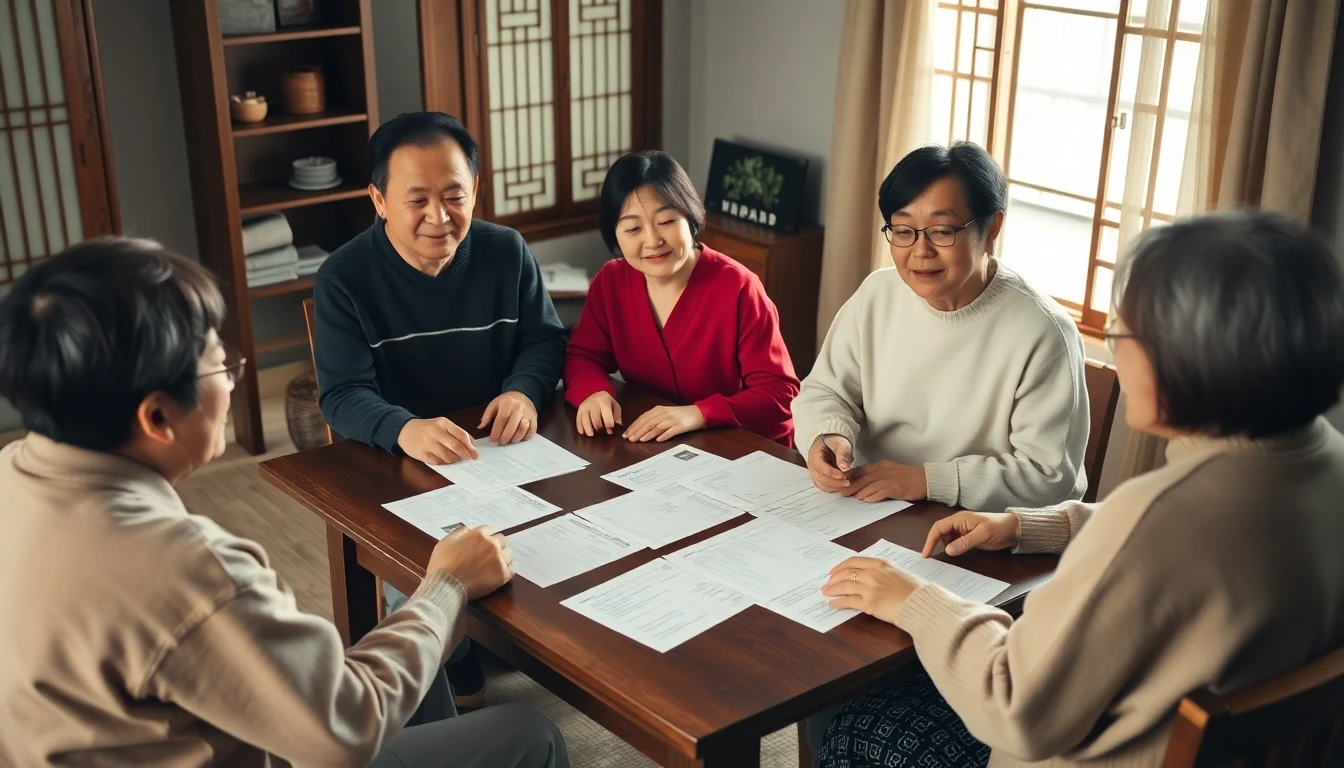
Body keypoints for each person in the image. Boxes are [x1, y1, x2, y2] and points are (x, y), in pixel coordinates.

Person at [0, 238, 570, 768]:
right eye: (217, 359)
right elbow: (342, 730)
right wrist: (448, 587)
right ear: (156, 417)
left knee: (410, 658)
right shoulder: (187, 567)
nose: (231, 374)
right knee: (529, 731)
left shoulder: (13, 475)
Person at [810, 211, 1344, 767]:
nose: (1116, 350)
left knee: (853, 723)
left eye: (1125, 333)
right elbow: (1180, 539)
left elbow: (1014, 706)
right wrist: (1030, 525)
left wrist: (914, 600)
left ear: (1196, 354)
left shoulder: (1154, 519)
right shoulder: (1324, 458)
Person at [315, 111, 568, 704]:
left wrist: (524, 390)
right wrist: (402, 428)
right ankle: (450, 672)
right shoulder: (344, 277)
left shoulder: (507, 252)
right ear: (378, 199)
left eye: (454, 195)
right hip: (403, 469)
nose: (439, 216)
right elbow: (342, 395)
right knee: (421, 587)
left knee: (585, 544)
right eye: (418, 199)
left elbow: (545, 339)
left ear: (474, 190)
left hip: (505, 451)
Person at [792, 142, 1088, 510]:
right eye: (902, 230)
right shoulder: (878, 293)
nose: (920, 250)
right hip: (861, 503)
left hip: (971, 528)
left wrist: (926, 480)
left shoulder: (1042, 333)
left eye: (942, 231)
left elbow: (1050, 477)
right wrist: (828, 435)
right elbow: (824, 389)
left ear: (992, 228)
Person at [564, 150, 800, 446]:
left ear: (690, 217)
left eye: (666, 221)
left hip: (740, 446)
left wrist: (700, 414)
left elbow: (779, 393)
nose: (652, 240)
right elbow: (583, 355)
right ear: (615, 235)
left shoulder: (739, 287)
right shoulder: (611, 281)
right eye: (633, 228)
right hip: (653, 443)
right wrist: (594, 391)